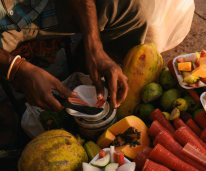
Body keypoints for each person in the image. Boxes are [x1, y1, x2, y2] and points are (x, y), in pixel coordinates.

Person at [0, 0, 156, 111]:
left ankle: (101, 83)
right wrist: (15, 67)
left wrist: (94, 44)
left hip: (36, 5)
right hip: (3, 28)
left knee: (130, 6)